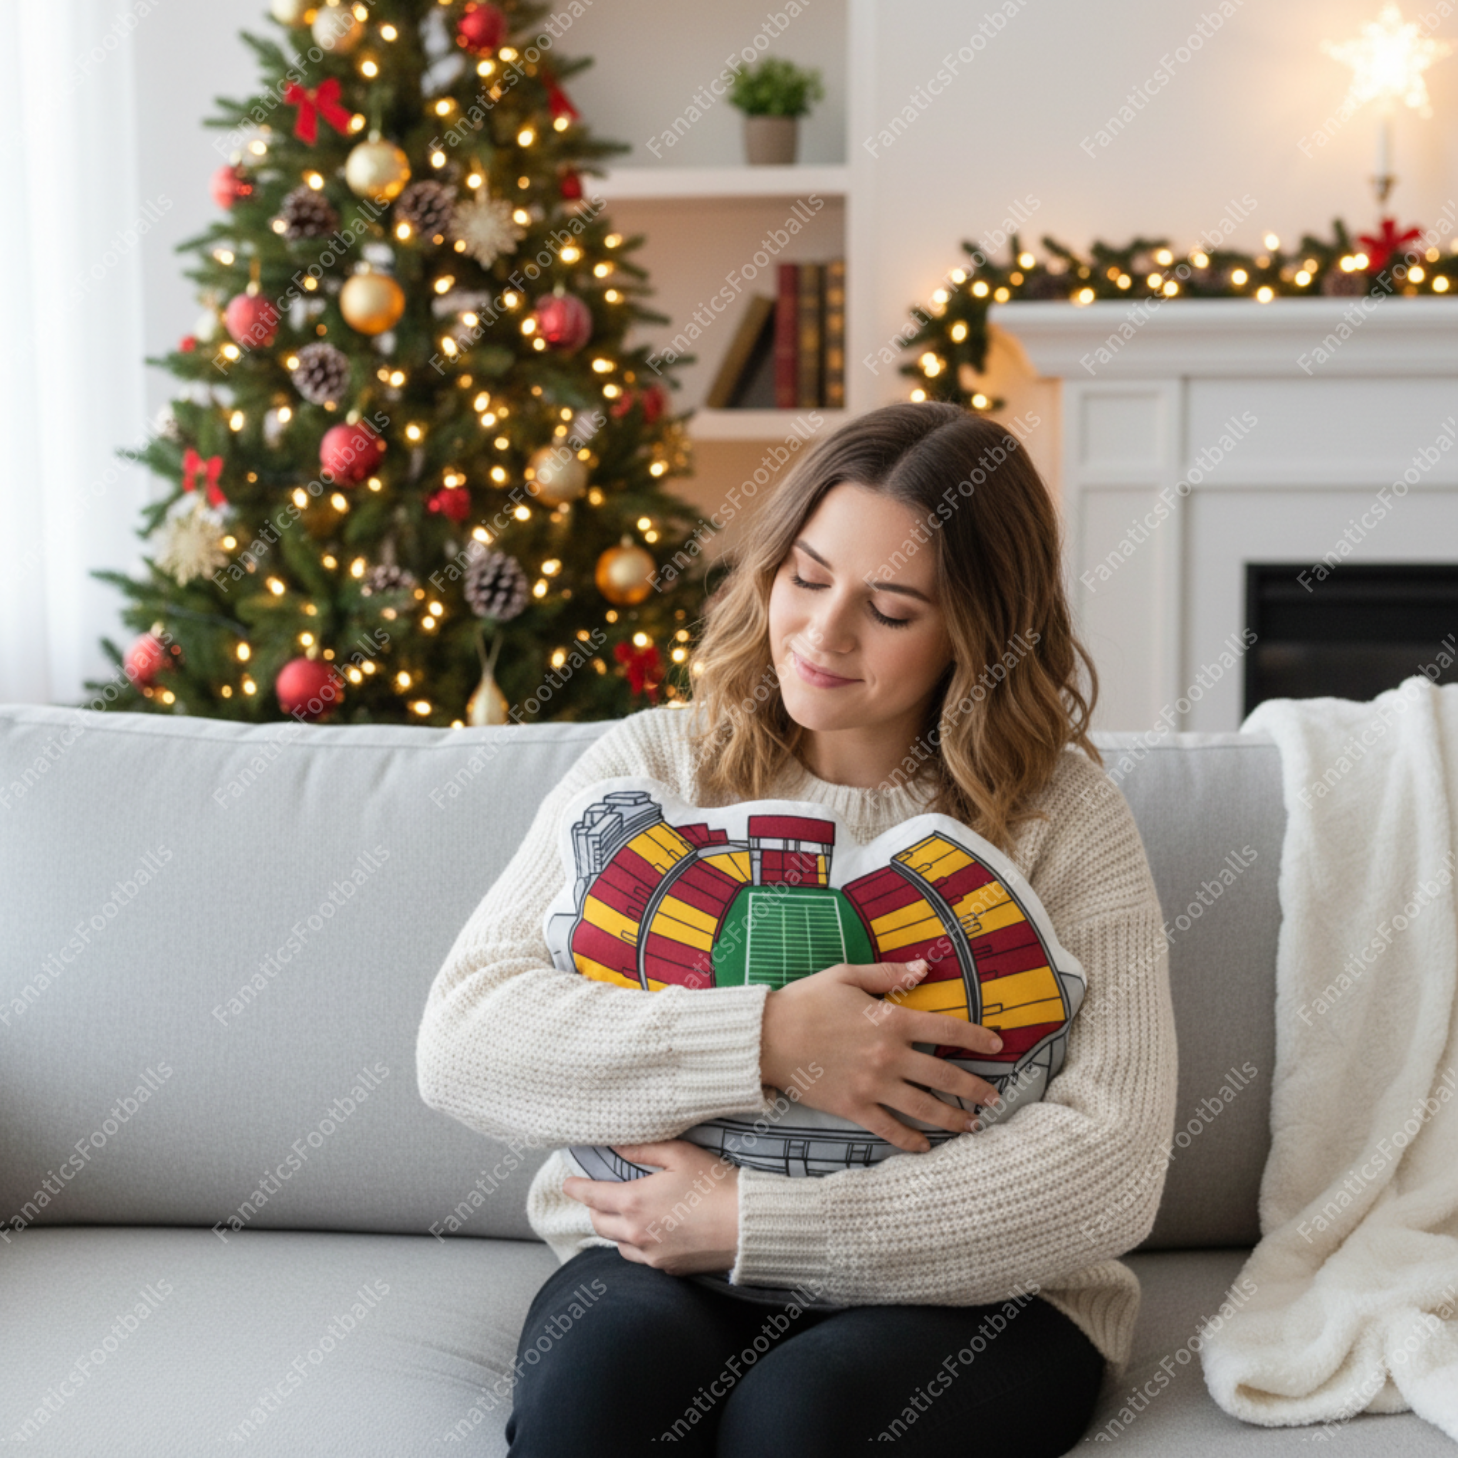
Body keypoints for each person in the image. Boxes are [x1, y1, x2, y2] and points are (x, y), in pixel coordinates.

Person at [415, 401, 1178, 1455]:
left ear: (979, 629)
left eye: (892, 607)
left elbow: (1115, 1163)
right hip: (659, 1255)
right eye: (807, 578)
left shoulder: (1066, 818)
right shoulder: (653, 768)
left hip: (972, 1295)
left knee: (801, 1421)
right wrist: (766, 1038)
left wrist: (754, 1222)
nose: (822, 635)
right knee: (599, 1394)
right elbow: (463, 1043)